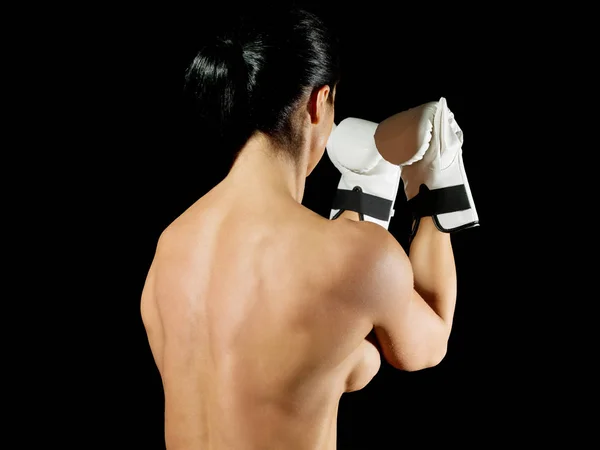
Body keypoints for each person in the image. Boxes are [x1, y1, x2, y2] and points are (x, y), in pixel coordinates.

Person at [141, 7, 478, 450]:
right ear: (318, 104)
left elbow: (274, 374)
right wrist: (435, 180)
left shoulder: (171, 246)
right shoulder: (354, 257)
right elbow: (429, 343)